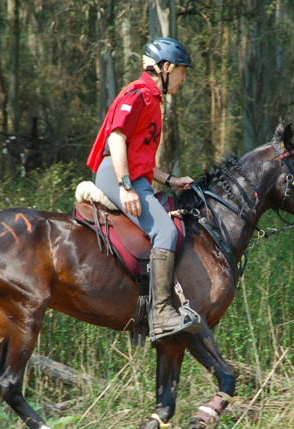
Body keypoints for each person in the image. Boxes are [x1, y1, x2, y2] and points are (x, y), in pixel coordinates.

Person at [86, 37, 200, 342]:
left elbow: (141, 158)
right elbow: (116, 139)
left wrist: (170, 179)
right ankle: (161, 315)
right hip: (116, 174)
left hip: (136, 176)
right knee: (166, 232)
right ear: (166, 68)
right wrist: (125, 187)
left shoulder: (153, 100)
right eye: (181, 71)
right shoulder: (135, 94)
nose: (184, 78)